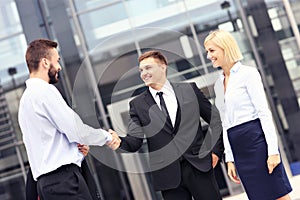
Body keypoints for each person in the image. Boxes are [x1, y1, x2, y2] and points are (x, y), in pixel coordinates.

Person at [111, 50, 224, 200]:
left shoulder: (189, 90)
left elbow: (215, 120)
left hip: (199, 167)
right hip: (168, 176)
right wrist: (119, 141)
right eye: (141, 70)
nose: (143, 73)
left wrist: (215, 151)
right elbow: (134, 141)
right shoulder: (137, 105)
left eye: (148, 68)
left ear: (163, 67)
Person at [18, 39, 120, 200]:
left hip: (47, 185)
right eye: (57, 61)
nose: (59, 67)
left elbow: (45, 142)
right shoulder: (45, 92)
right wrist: (107, 137)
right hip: (64, 182)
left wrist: (75, 149)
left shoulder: (25, 101)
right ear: (45, 62)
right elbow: (76, 130)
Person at [204, 29, 292, 200]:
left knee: (279, 195)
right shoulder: (218, 84)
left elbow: (264, 113)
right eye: (207, 51)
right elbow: (225, 123)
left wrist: (273, 151)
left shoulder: (248, 74)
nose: (208, 56)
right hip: (238, 149)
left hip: (257, 143)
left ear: (225, 48)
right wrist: (229, 158)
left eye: (212, 50)